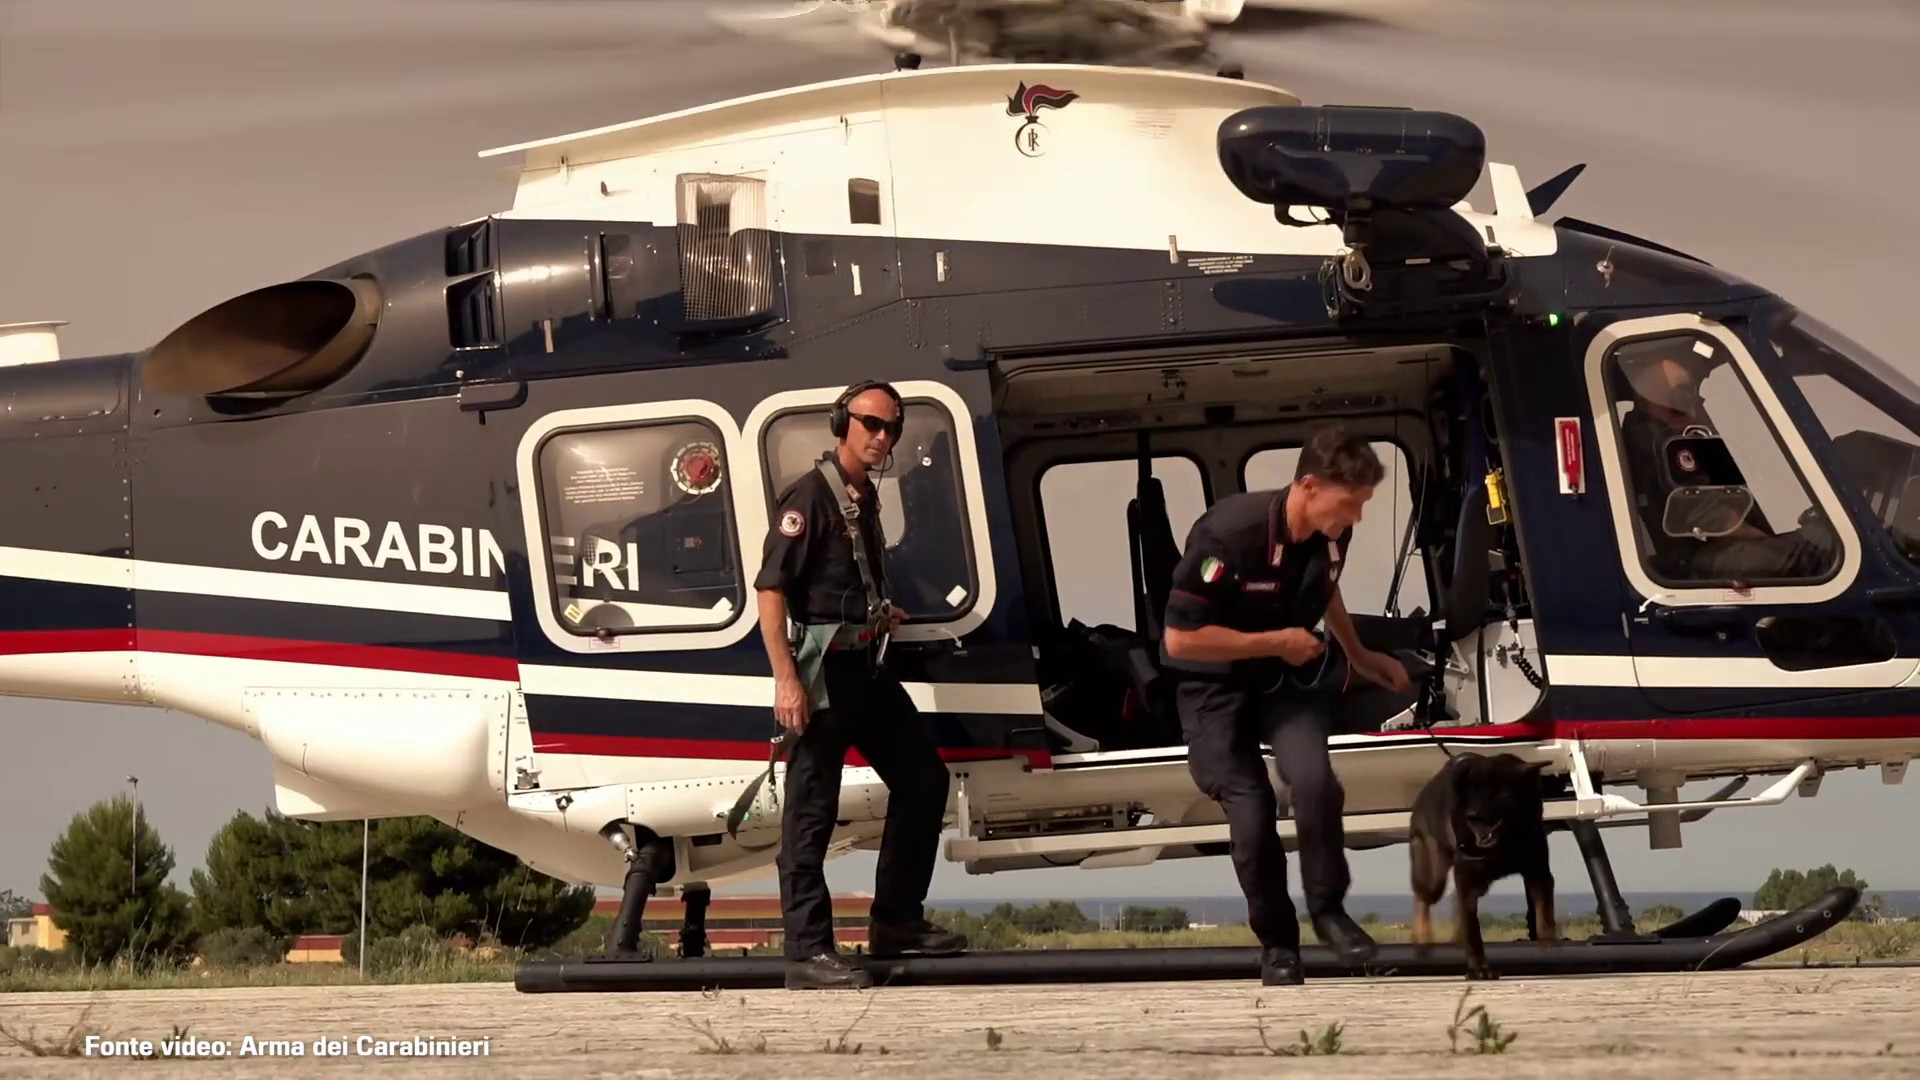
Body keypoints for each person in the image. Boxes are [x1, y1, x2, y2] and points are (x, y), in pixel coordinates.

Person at [1159, 422, 1408, 986]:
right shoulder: (1229, 534)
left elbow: (1326, 586)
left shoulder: (1333, 532)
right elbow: (1179, 640)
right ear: (1309, 486)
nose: (1357, 518)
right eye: (1351, 503)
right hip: (1213, 686)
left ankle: (1329, 910)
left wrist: (1362, 655)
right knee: (1251, 811)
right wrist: (1277, 641)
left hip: (1283, 679)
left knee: (1315, 779)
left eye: (1364, 505)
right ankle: (1277, 944)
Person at [752, 379, 968, 991]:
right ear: (841, 423)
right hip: (822, 677)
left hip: (865, 667)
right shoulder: (810, 497)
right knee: (810, 817)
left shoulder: (861, 496)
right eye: (871, 423)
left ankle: (896, 922)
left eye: (891, 427)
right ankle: (807, 952)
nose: (882, 436)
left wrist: (877, 613)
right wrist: (786, 681)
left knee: (924, 781)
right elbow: (771, 589)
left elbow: (844, 579)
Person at [1615, 345, 1834, 583]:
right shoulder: (1653, 439)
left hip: (1708, 552)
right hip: (1700, 557)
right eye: (1678, 361)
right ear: (1650, 377)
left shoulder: (1671, 433)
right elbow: (1711, 518)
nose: (1688, 373)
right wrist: (1771, 544)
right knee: (1814, 557)